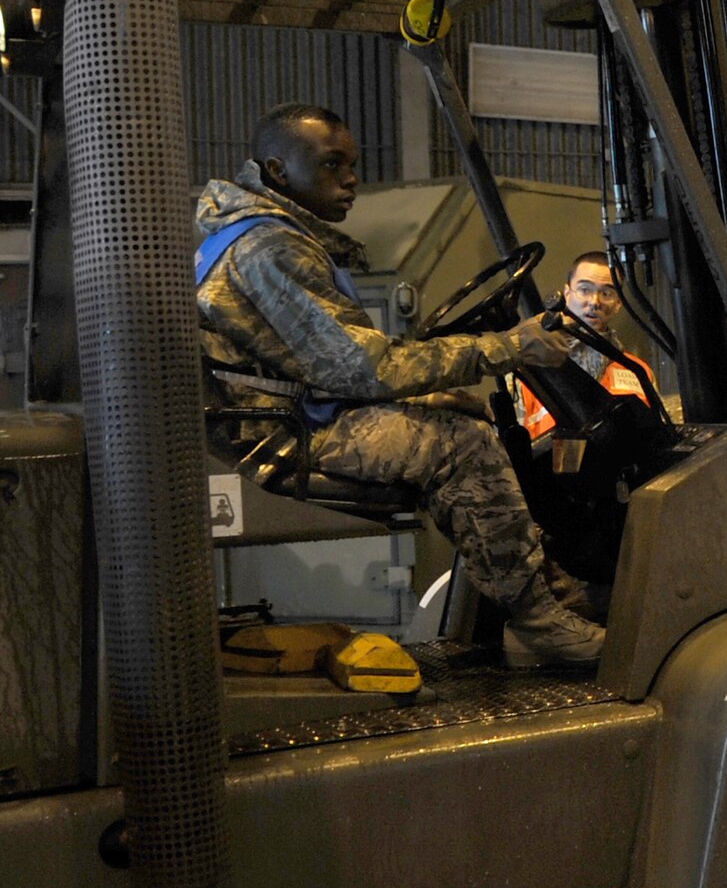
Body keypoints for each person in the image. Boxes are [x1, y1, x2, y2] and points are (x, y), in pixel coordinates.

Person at [195, 102, 606, 669]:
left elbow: (334, 365)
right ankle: (537, 618)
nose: (350, 177)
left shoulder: (261, 235)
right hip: (282, 434)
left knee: (464, 414)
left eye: (353, 163)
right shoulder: (270, 249)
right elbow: (366, 369)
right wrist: (507, 346)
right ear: (277, 171)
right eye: (333, 163)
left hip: (298, 411)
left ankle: (541, 591)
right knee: (463, 444)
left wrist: (432, 389)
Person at [511, 251, 655, 440]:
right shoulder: (528, 367)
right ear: (566, 294)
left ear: (618, 303)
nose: (594, 302)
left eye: (606, 293)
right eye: (585, 290)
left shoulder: (637, 370)